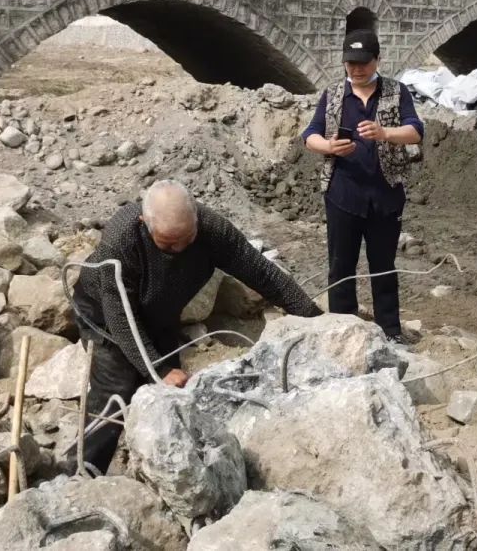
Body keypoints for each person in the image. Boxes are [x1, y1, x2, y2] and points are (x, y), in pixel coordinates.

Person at [69, 179, 320, 474]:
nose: (179, 248)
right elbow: (120, 316)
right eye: (168, 243)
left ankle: (163, 473)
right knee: (118, 385)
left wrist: (314, 318)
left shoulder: (212, 231)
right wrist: (157, 369)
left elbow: (262, 273)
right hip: (104, 315)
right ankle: (79, 474)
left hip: (159, 315)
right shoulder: (122, 238)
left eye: (187, 238)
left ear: (195, 219)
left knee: (172, 397)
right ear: (144, 224)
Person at [302, 29, 424, 342]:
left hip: (385, 195)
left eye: (364, 63)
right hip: (343, 194)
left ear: (377, 60)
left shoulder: (396, 92)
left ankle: (390, 331)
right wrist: (329, 146)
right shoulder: (332, 95)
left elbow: (415, 131)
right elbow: (310, 135)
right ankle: (342, 329)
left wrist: (385, 133)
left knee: (383, 265)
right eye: (351, 63)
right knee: (340, 265)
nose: (357, 69)